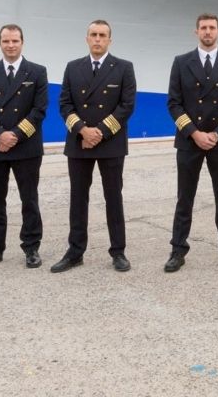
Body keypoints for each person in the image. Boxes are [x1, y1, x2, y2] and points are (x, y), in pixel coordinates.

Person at [52, 20, 137, 274]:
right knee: (78, 198)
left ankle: (118, 251)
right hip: (80, 143)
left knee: (113, 198)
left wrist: (100, 131)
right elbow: (65, 104)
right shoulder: (73, 67)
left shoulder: (123, 68)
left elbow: (126, 105)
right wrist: (83, 130)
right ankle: (75, 251)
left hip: (110, 142)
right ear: (86, 38)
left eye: (102, 35)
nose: (97, 39)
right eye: (93, 35)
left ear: (110, 40)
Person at [165, 13, 218, 273]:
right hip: (190, 142)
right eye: (203, 28)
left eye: (212, 28)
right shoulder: (181, 62)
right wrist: (194, 132)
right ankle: (178, 250)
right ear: (196, 32)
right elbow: (174, 103)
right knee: (184, 198)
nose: (208, 32)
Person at [0, 24, 48, 270]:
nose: (10, 45)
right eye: (6, 41)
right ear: (0, 43)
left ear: (22, 42)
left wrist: (14, 135)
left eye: (15, 41)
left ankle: (31, 247)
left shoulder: (36, 72)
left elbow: (39, 110)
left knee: (29, 200)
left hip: (26, 147)